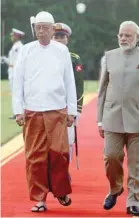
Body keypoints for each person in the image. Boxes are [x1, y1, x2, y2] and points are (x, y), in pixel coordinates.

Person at [12, 11, 77, 212]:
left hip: (57, 109)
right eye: (38, 27)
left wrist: (72, 110)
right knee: (35, 156)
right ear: (35, 29)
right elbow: (17, 82)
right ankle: (39, 198)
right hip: (32, 110)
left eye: (45, 27)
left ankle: (60, 191)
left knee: (60, 153)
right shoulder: (26, 50)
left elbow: (69, 81)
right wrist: (18, 110)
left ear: (52, 29)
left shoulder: (61, 51)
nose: (41, 31)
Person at [97, 20, 139, 216]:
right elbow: (101, 90)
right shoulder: (109, 57)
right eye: (121, 35)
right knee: (111, 157)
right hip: (112, 117)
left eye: (128, 35)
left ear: (137, 37)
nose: (124, 38)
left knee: (137, 163)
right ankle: (115, 188)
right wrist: (100, 120)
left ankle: (133, 201)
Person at [53, 22, 84, 170]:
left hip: (67, 106)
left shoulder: (73, 58)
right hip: (50, 105)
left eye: (62, 37)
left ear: (67, 39)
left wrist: (76, 109)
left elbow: (78, 85)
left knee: (67, 140)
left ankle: (64, 169)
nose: (59, 39)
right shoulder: (45, 57)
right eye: (56, 36)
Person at [2, 28, 25, 119]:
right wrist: (5, 59)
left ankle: (18, 112)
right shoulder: (15, 46)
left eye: (13, 35)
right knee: (14, 92)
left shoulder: (19, 47)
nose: (11, 37)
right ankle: (16, 112)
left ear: (17, 36)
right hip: (12, 70)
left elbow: (18, 61)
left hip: (16, 71)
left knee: (17, 93)